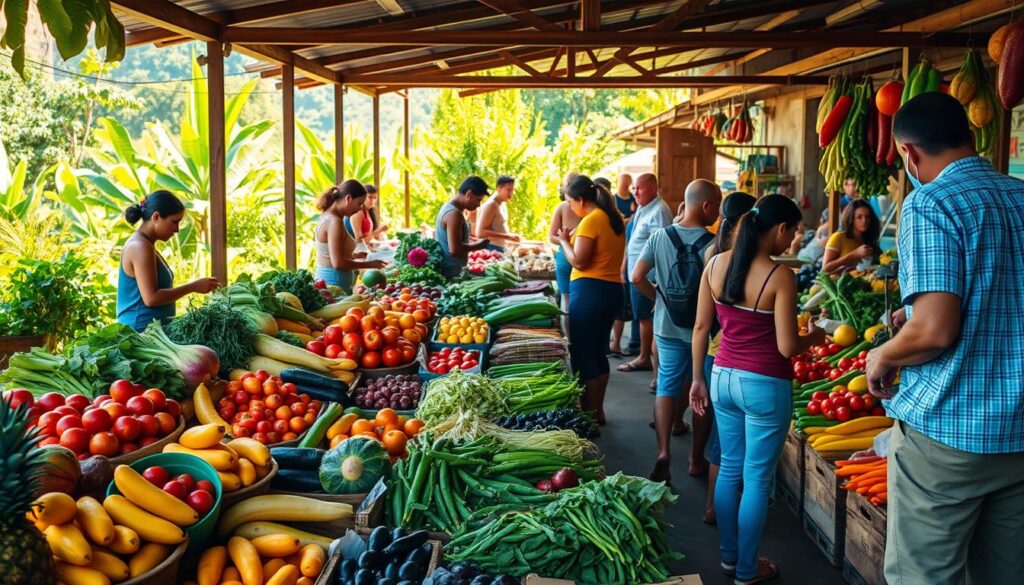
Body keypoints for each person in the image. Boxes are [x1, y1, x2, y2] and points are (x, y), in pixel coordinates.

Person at [865, 92, 1024, 585]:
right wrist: (910, 317)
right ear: (971, 137)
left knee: (923, 576)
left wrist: (882, 355)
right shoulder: (1020, 195)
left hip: (951, 432)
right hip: (1018, 433)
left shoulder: (930, 203)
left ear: (909, 154)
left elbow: (935, 330)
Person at [689, 194, 826, 585]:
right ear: (780, 229)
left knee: (730, 469)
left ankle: (730, 560)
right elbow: (787, 346)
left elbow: (701, 328)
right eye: (794, 232)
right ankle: (747, 571)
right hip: (765, 383)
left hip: (722, 378)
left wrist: (697, 378)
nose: (792, 240)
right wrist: (812, 337)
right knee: (757, 477)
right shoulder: (779, 275)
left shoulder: (714, 263)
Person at [632, 179, 721, 484]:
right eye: (717, 206)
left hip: (666, 327)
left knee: (667, 386)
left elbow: (636, 277)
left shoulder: (659, 237)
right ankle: (696, 460)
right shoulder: (713, 245)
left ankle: (663, 451)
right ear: (706, 206)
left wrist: (659, 298)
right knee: (702, 393)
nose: (718, 213)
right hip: (703, 331)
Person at [700, 191, 757, 526]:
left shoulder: (713, 253)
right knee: (730, 446)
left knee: (722, 438)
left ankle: (713, 503)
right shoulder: (745, 260)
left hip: (713, 355)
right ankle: (715, 506)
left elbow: (701, 323)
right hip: (736, 356)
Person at [557, 175, 626, 426]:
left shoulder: (591, 221)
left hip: (590, 292)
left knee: (584, 353)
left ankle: (588, 413)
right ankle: (598, 411)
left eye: (570, 202)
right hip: (611, 291)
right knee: (598, 351)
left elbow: (579, 260)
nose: (570, 207)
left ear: (580, 199)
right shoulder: (613, 218)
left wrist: (564, 241)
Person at [117, 191, 219, 331]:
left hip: (154, 333)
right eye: (174, 222)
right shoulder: (140, 247)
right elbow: (151, 298)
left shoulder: (146, 244)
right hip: (140, 335)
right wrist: (193, 287)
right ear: (156, 217)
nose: (177, 230)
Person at [618, 173, 673, 376]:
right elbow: (633, 241)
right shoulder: (642, 207)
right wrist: (624, 266)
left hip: (649, 277)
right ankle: (643, 357)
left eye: (640, 188)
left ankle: (651, 364)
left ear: (653, 188)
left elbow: (664, 247)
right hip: (636, 273)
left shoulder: (660, 211)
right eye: (635, 188)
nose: (635, 191)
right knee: (642, 318)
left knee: (648, 320)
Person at [315, 180, 386, 292]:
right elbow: (338, 263)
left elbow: (330, 253)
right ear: (348, 199)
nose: (359, 209)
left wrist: (355, 256)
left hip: (334, 282)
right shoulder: (334, 222)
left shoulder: (330, 217)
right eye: (359, 204)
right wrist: (370, 264)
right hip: (333, 283)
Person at [436, 176, 491, 279]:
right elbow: (454, 250)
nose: (478, 205)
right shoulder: (454, 214)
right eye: (478, 200)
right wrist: (479, 245)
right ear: (469, 194)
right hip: (452, 274)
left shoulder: (449, 208)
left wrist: (469, 239)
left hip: (453, 270)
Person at [549, 172, 582, 317]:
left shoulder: (564, 207)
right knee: (571, 302)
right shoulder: (563, 207)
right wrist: (565, 240)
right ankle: (571, 338)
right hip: (571, 259)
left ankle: (570, 338)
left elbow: (552, 237)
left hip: (578, 259)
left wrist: (564, 240)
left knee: (568, 303)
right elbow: (551, 237)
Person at [822, 199, 880, 274]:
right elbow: (826, 268)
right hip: (837, 284)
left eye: (867, 217)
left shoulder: (868, 239)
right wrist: (854, 254)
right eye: (859, 217)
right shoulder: (838, 237)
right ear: (851, 218)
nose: (864, 221)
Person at [474, 175, 521, 252]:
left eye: (512, 190)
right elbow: (480, 232)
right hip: (491, 248)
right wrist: (508, 236)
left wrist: (511, 238)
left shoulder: (502, 203)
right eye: (508, 190)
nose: (511, 194)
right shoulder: (491, 205)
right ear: (499, 188)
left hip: (501, 248)